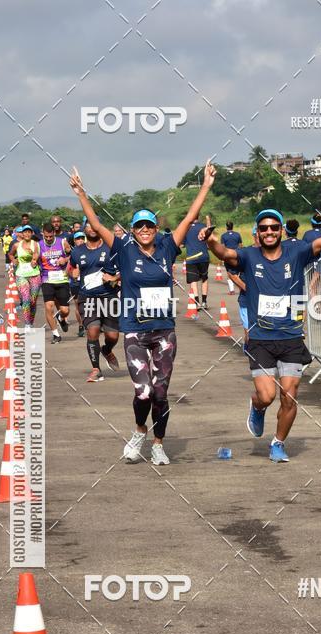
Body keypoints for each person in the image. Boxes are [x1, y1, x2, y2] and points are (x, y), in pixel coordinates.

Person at [70, 161, 216, 464]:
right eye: (140, 226)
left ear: (155, 228)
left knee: (161, 392)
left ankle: (158, 443)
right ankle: (139, 431)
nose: (145, 230)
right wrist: (81, 193)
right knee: (144, 391)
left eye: (149, 225)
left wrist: (205, 185)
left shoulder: (167, 247)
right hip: (135, 330)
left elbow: (189, 217)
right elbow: (96, 224)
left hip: (164, 331)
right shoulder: (123, 249)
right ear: (133, 230)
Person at [204, 205, 321, 462]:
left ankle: (278, 443)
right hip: (261, 339)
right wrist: (210, 241)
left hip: (291, 337)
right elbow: (224, 253)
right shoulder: (249, 256)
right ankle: (257, 406)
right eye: (263, 228)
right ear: (257, 233)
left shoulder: (297, 252)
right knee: (267, 395)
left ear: (281, 230)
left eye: (273, 227)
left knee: (289, 397)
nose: (269, 232)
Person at [69, 217, 120, 382]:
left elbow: (126, 268)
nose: (91, 228)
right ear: (84, 229)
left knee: (113, 336)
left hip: (109, 297)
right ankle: (96, 369)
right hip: (87, 298)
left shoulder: (111, 248)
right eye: (88, 225)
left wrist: (114, 278)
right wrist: (72, 273)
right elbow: (71, 268)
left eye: (94, 225)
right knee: (93, 330)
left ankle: (107, 350)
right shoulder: (77, 251)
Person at [38, 221, 71, 344]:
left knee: (65, 310)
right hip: (47, 279)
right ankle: (56, 334)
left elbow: (73, 255)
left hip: (62, 279)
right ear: (43, 234)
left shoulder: (62, 242)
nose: (48, 239)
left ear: (54, 233)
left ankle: (61, 318)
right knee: (49, 307)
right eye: (46, 236)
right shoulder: (38, 245)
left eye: (50, 236)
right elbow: (35, 258)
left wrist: (65, 259)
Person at [12, 225, 41, 326]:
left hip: (34, 274)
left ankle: (31, 322)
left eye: (29, 232)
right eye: (25, 232)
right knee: (25, 299)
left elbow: (36, 254)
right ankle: (27, 324)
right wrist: (13, 260)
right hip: (21, 274)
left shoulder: (35, 244)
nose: (27, 234)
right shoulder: (17, 245)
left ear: (32, 233)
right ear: (22, 234)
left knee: (33, 301)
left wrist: (34, 259)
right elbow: (10, 254)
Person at [183, 216, 210, 310]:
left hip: (191, 258)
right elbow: (209, 239)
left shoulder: (186, 228)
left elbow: (182, 244)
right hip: (204, 257)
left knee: (193, 281)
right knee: (204, 279)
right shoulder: (203, 226)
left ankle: (197, 303)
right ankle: (204, 302)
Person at [68, 230, 86, 337]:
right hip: (75, 283)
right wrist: (73, 275)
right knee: (78, 305)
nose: (80, 240)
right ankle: (81, 325)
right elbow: (68, 269)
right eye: (78, 239)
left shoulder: (90, 251)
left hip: (87, 282)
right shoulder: (73, 253)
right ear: (74, 241)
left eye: (82, 238)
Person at [220, 221, 242, 294]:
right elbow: (240, 246)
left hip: (228, 256)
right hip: (237, 255)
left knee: (229, 273)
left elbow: (223, 248)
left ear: (226, 227)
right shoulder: (237, 235)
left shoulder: (223, 236)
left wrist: (222, 258)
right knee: (237, 273)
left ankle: (232, 290)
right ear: (232, 226)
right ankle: (241, 288)